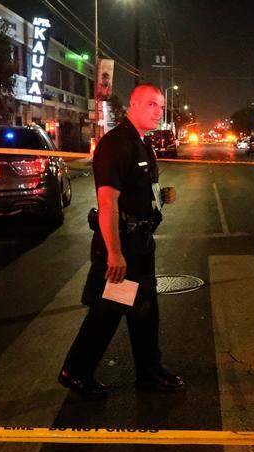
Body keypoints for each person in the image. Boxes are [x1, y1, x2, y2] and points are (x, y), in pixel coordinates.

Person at [59, 84, 184, 398]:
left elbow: (138, 190)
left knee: (144, 310)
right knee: (109, 311)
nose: (159, 111)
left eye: (161, 106)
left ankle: (149, 372)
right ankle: (76, 372)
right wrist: (115, 252)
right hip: (123, 246)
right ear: (134, 104)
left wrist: (161, 197)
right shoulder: (117, 144)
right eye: (153, 105)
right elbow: (108, 203)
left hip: (140, 243)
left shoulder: (141, 143)